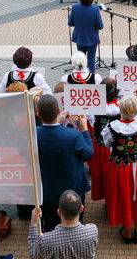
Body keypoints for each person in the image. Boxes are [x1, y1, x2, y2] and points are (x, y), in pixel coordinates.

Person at [101, 94, 137, 242]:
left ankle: (127, 232)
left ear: (120, 109)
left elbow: (107, 143)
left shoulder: (111, 127)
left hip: (121, 167)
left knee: (124, 195)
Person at [35, 95, 93, 231]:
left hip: (47, 192)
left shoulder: (33, 135)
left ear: (38, 114)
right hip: (72, 190)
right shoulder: (73, 135)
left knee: (49, 225)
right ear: (58, 111)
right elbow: (88, 154)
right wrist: (84, 129)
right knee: (75, 224)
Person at [28, 192, 98, 259]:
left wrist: (33, 224)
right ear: (81, 208)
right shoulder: (92, 230)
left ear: (59, 212)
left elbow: (34, 256)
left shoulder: (46, 240)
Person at [68, 0, 103, 73]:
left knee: (80, 58)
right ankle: (91, 78)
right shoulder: (95, 9)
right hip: (92, 39)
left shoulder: (75, 7)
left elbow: (70, 23)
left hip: (79, 37)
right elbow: (100, 26)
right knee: (91, 59)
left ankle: (80, 75)